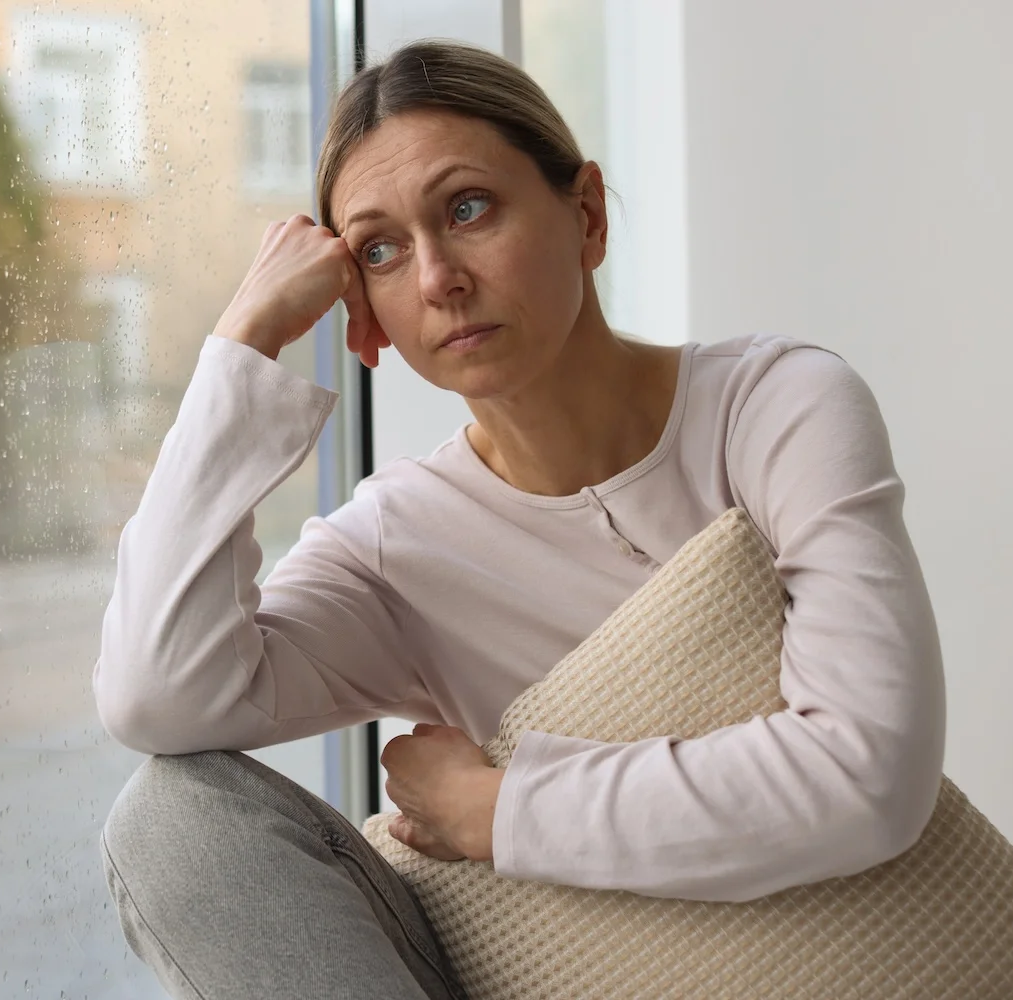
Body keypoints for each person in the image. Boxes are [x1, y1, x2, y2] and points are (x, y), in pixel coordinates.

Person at [95, 39, 945, 1000]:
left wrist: (497, 809)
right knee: (170, 819)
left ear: (585, 215)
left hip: (836, 963)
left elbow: (871, 776)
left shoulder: (775, 408)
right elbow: (158, 696)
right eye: (379, 250)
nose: (435, 278)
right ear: (363, 312)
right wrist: (240, 349)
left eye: (468, 209)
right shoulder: (396, 546)